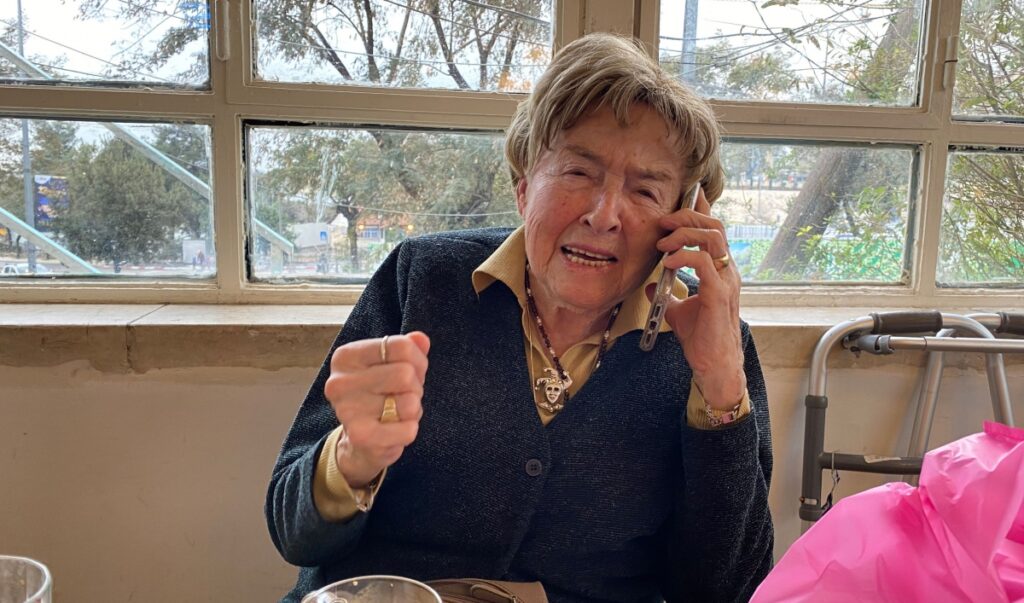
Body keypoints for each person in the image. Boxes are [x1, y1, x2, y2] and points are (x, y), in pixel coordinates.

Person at [267, 33, 773, 603]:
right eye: (579, 172)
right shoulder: (424, 279)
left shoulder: (712, 342)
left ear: (682, 219)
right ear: (524, 183)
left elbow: (729, 589)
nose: (603, 215)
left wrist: (721, 382)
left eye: (646, 190)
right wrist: (353, 457)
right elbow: (292, 531)